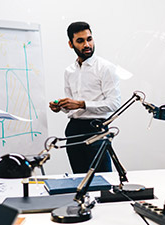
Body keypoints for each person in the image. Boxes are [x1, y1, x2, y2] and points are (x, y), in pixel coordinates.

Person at [49, 22, 121, 174]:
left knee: (103, 181)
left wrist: (81, 104)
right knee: (79, 179)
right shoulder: (69, 71)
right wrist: (60, 107)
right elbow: (72, 105)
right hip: (73, 129)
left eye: (89, 39)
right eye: (80, 41)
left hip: (96, 129)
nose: (87, 44)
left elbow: (114, 103)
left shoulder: (106, 68)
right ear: (71, 44)